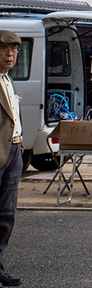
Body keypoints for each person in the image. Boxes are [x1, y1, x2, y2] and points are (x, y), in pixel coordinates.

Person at [0, 31, 24, 287]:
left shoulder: (8, 80)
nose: (10, 54)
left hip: (14, 151)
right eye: (5, 49)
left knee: (7, 213)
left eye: (14, 50)